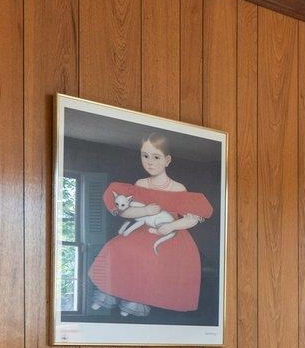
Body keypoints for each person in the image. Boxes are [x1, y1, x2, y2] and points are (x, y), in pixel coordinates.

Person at [86, 133, 213, 317]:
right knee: (116, 248)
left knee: (150, 257)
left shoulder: (178, 188)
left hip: (168, 230)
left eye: (156, 157)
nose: (149, 162)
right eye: (145, 156)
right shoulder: (141, 184)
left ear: (167, 160)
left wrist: (171, 227)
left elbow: (193, 218)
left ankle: (136, 301)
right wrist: (145, 211)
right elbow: (127, 211)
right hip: (143, 226)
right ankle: (109, 294)